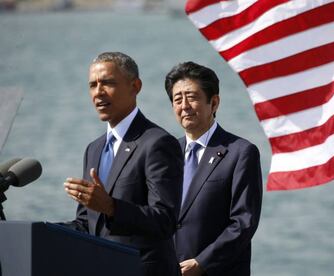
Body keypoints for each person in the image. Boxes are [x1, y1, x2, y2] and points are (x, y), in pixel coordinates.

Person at [63, 52, 183, 276]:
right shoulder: (94, 149)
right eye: (92, 85)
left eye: (107, 83)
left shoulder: (157, 143)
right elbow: (86, 223)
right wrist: (38, 230)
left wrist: (111, 207)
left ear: (135, 86)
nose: (98, 92)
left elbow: (164, 221)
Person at [165, 61, 263, 276]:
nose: (184, 106)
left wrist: (202, 263)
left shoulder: (240, 152)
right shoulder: (166, 153)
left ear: (214, 102)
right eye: (177, 99)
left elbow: (243, 223)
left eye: (192, 97)